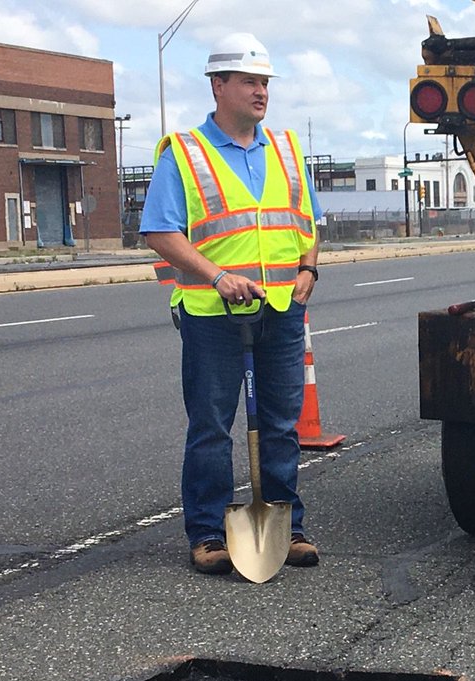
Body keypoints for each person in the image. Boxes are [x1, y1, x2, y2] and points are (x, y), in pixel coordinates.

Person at [141, 32, 322, 575]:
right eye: (249, 81)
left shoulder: (287, 149)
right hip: (213, 315)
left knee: (282, 423)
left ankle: (287, 527)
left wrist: (309, 266)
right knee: (213, 425)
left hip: (283, 310)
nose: (260, 91)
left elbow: (306, 221)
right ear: (218, 85)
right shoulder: (186, 154)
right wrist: (218, 276)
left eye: (265, 82)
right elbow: (160, 232)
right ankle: (207, 532)